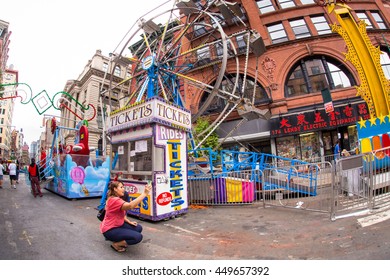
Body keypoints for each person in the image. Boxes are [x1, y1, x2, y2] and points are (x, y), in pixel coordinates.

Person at [100, 180, 151, 252]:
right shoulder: (114, 200)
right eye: (121, 187)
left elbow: (122, 215)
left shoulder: (117, 199)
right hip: (110, 229)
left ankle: (118, 238)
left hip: (118, 224)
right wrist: (145, 193)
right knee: (137, 237)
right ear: (115, 189)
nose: (123, 189)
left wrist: (129, 222)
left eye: (123, 187)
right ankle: (116, 244)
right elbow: (131, 206)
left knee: (138, 228)